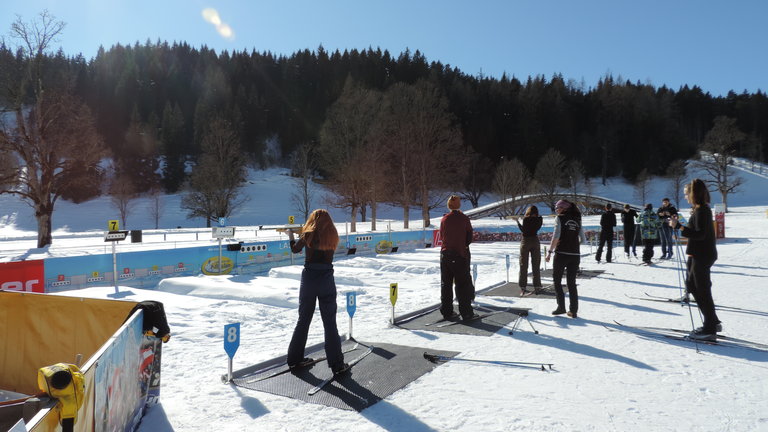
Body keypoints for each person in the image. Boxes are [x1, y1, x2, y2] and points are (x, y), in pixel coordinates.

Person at [286, 209, 348, 374]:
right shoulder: (333, 234)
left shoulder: (308, 234)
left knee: (303, 319)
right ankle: (337, 364)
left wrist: (290, 234)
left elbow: (294, 250)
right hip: (326, 278)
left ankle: (294, 360)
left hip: (309, 279)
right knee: (330, 322)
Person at [669, 179, 721, 341]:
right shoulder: (699, 210)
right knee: (693, 286)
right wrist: (680, 227)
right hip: (697, 254)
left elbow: (699, 234)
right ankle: (712, 321)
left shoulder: (702, 211)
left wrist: (679, 227)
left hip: (702, 254)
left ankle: (710, 327)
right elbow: (697, 232)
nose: (685, 197)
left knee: (701, 289)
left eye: (686, 194)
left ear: (693, 194)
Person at [545, 199, 586, 318]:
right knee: (571, 283)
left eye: (558, 208)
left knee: (557, 281)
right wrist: (573, 243)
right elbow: (583, 240)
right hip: (575, 255)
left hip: (561, 253)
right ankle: (573, 310)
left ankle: (561, 307)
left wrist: (550, 251)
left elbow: (556, 236)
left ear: (563, 208)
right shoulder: (578, 219)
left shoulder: (560, 218)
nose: (556, 210)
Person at [439, 195, 476, 320]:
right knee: (462, 285)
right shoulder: (463, 218)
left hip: (445, 254)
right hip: (459, 254)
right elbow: (469, 237)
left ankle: (446, 311)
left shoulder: (444, 219)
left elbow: (442, 236)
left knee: (446, 284)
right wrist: (463, 245)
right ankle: (466, 312)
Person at [516, 206, 543, 294]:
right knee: (536, 264)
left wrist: (517, 222)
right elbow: (537, 226)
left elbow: (524, 230)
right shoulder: (539, 219)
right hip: (535, 240)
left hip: (526, 241)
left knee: (523, 264)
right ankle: (537, 285)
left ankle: (523, 285)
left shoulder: (526, 219)